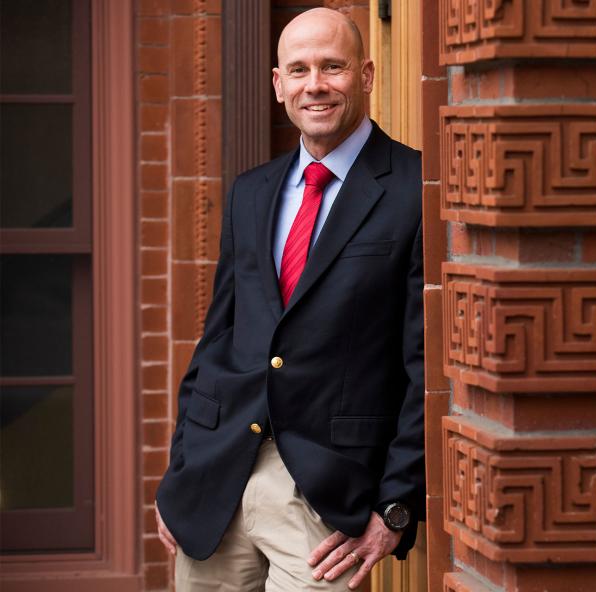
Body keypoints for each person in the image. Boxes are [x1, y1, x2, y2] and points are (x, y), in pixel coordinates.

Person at [154, 8, 425, 591]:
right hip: (217, 482)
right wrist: (182, 468)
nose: (315, 85)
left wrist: (396, 507)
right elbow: (219, 337)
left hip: (326, 502)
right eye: (298, 70)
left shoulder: (415, 190)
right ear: (278, 85)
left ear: (367, 74)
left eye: (333, 67)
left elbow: (424, 366)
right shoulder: (251, 193)